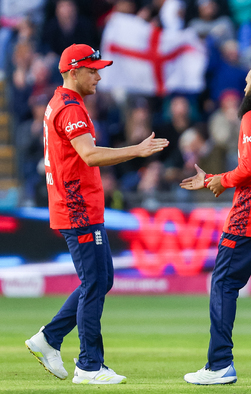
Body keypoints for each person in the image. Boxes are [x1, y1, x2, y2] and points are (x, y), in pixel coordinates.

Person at [25, 43, 169, 385]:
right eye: (93, 70)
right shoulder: (71, 108)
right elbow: (89, 156)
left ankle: (49, 339)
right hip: (78, 208)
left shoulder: (63, 103)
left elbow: (84, 154)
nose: (99, 76)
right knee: (95, 282)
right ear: (73, 71)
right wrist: (136, 150)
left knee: (101, 279)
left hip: (79, 206)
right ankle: (89, 365)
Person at [181, 62, 251, 386]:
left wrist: (216, 180)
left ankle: (219, 364)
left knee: (223, 284)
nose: (245, 88)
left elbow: (249, 168)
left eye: (247, 82)